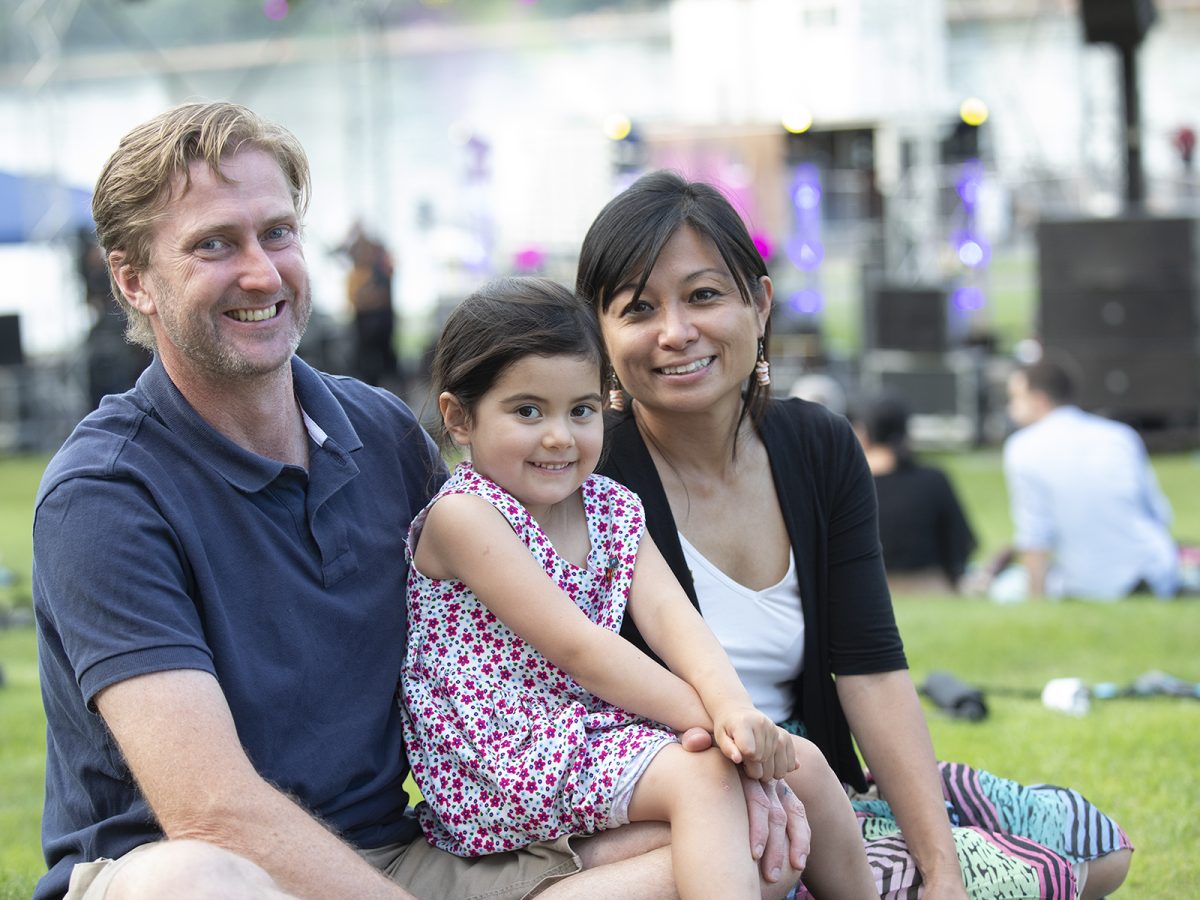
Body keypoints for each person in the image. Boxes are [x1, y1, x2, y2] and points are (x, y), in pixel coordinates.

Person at [30, 102, 807, 900]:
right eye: (214, 245)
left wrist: (727, 751)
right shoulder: (104, 496)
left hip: (405, 857)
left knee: (738, 839)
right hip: (205, 873)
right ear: (133, 280)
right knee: (187, 882)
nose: (261, 273)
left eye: (277, 233)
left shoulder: (378, 432)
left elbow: (541, 622)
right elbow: (213, 811)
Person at [576, 169, 1134, 900]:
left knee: (1098, 847)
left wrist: (941, 871)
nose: (676, 332)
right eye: (638, 308)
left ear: (760, 303)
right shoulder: (588, 477)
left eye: (704, 295)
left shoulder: (817, 445)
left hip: (827, 779)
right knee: (1043, 876)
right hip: (702, 807)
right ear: (601, 335)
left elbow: (870, 669)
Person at [401, 277, 876, 899]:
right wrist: (721, 729)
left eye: (581, 410)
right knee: (707, 775)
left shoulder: (611, 506)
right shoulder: (467, 515)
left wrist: (737, 710)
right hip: (495, 755)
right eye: (527, 411)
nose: (559, 437)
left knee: (804, 764)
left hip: (583, 737)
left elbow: (675, 621)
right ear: (460, 417)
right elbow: (580, 650)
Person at [994, 358, 1179, 601]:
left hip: (1089, 584)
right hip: (1157, 574)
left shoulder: (1022, 448)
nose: (1010, 409)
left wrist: (1035, 603)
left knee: (1004, 589)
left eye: (1015, 398)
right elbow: (1159, 514)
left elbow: (1035, 537)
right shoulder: (1119, 436)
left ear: (1039, 400)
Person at [851, 393, 978, 594]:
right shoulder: (933, 480)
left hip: (863, 591)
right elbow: (961, 544)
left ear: (862, 433)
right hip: (930, 587)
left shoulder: (847, 488)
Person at [342, 222, 401, 388]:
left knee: (385, 357)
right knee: (365, 359)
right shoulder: (358, 275)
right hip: (364, 320)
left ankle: (393, 387)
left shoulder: (380, 271)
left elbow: (381, 297)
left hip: (381, 319)